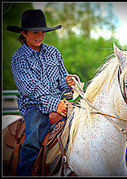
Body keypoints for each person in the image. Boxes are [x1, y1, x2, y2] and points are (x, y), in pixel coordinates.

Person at [6, 9, 75, 176]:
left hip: (60, 103)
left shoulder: (53, 53)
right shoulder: (19, 58)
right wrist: (55, 104)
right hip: (33, 106)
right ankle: (25, 172)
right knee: (33, 136)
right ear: (24, 33)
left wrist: (69, 84)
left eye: (42, 32)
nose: (40, 36)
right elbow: (30, 88)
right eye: (35, 32)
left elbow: (62, 81)